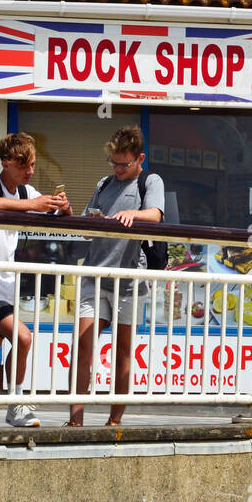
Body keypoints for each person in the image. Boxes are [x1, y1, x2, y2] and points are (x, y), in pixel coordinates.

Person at [0, 133, 70, 427]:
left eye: (33, 165)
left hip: (7, 285)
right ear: (6, 163)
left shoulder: (26, 192)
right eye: (24, 165)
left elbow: (51, 211)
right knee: (23, 337)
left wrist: (61, 207)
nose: (30, 171)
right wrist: (33, 205)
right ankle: (16, 402)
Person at [69, 125, 165, 427]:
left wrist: (134, 214)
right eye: (114, 162)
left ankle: (115, 421)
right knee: (83, 345)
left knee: (124, 351)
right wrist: (87, 219)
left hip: (129, 279)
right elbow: (86, 232)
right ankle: (75, 420)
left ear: (140, 159)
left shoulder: (150, 180)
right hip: (95, 276)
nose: (118, 169)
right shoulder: (104, 183)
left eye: (124, 164)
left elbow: (156, 215)